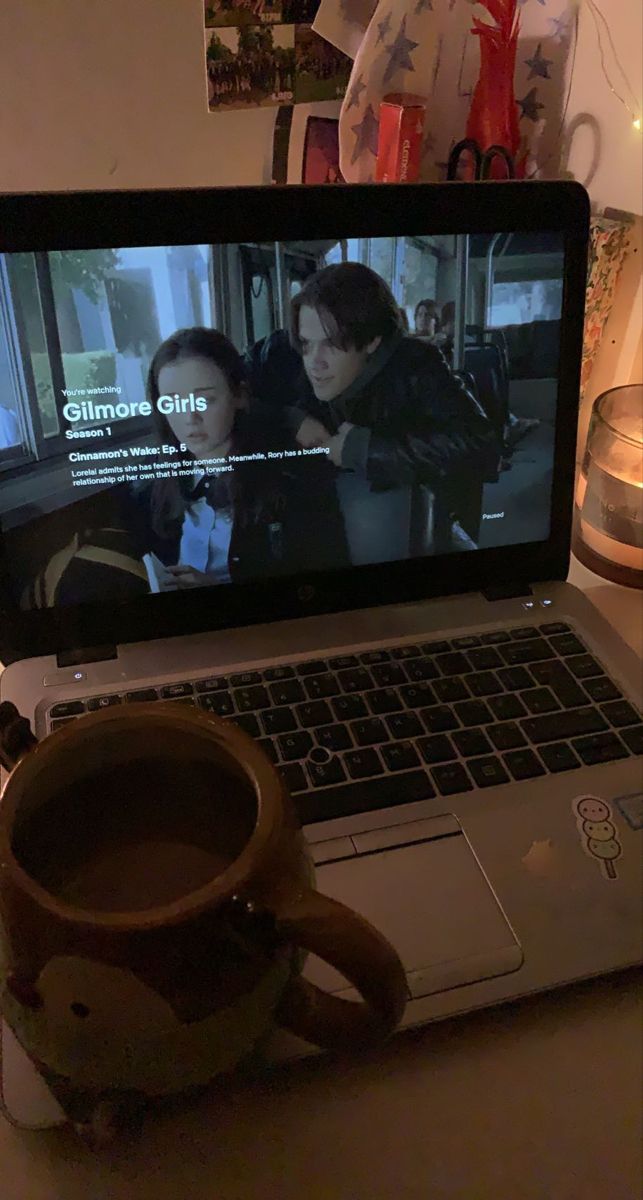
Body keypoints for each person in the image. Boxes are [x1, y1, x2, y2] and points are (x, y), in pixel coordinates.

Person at [248, 263, 497, 560]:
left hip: (402, 527)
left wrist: (367, 448)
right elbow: (222, 394)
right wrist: (290, 419)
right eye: (306, 344)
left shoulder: (415, 368)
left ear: (372, 340)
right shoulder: (280, 353)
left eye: (332, 344)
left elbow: (483, 444)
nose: (314, 362)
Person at [141, 326, 348, 587]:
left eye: (204, 400)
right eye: (171, 403)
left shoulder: (292, 477)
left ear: (238, 395)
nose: (189, 418)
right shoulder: (156, 474)